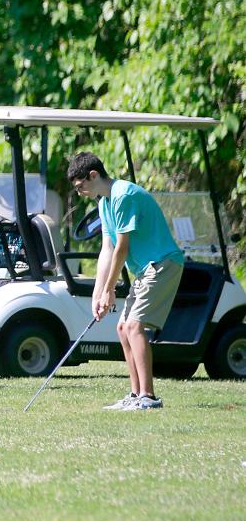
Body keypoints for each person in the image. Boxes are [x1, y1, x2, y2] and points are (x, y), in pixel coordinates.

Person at [68, 152, 184, 411]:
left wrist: (110, 290)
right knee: (122, 328)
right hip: (146, 269)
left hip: (164, 264)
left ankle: (148, 397)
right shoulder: (103, 203)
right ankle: (135, 395)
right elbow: (106, 251)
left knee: (134, 326)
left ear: (94, 175)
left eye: (81, 186)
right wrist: (98, 294)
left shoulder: (124, 196)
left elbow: (122, 247)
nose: (80, 193)